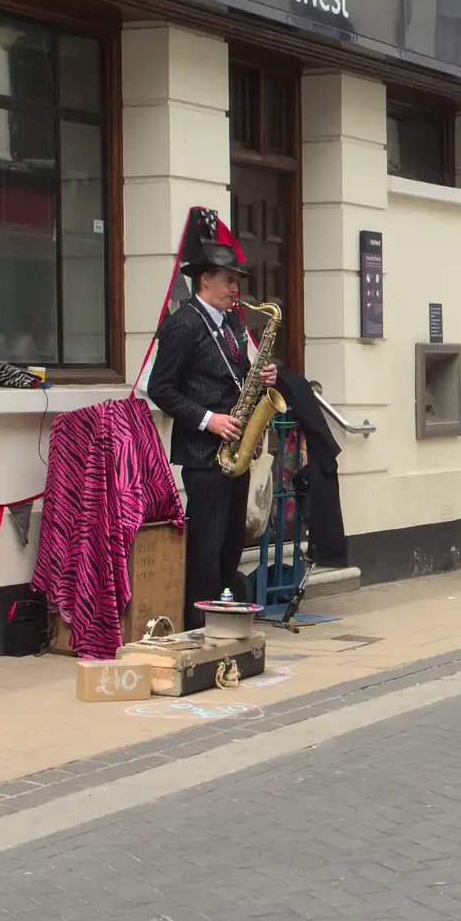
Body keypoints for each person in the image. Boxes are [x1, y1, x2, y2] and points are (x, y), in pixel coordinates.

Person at [147, 240, 277, 630]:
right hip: (205, 453)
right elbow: (161, 388)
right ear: (204, 280)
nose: (235, 289)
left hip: (234, 451)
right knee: (205, 547)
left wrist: (264, 378)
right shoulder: (184, 323)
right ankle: (197, 627)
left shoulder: (232, 322)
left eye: (236, 281)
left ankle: (223, 621)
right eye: (228, 280)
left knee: (229, 546)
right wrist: (209, 420)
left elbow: (236, 378)